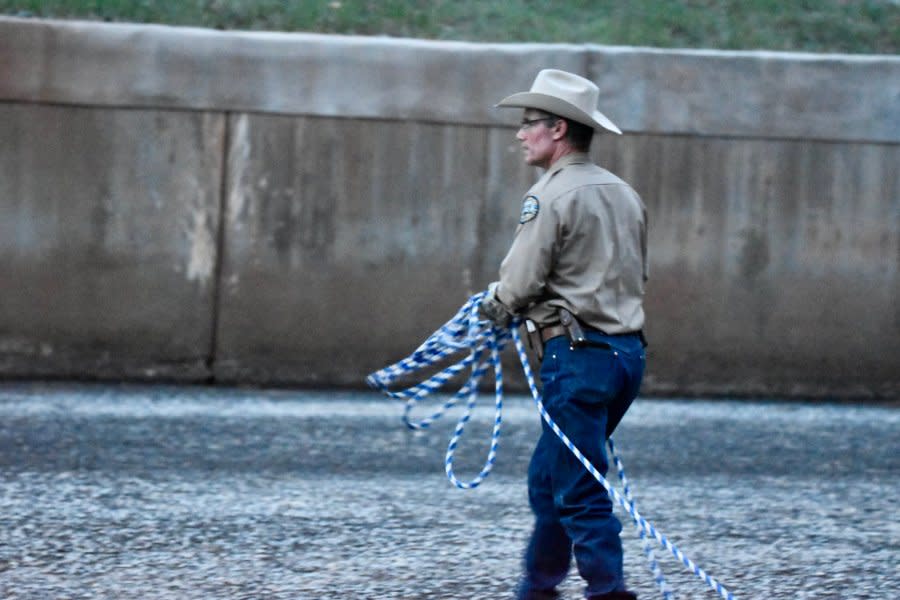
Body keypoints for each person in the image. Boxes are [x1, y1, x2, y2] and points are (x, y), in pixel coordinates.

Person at [479, 69, 648, 600]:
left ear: (557, 129)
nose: (520, 134)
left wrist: (495, 308)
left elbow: (521, 280)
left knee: (575, 488)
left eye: (528, 124)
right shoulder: (624, 194)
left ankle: (607, 591)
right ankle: (537, 588)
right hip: (626, 357)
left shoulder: (549, 195)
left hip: (577, 358)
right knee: (553, 479)